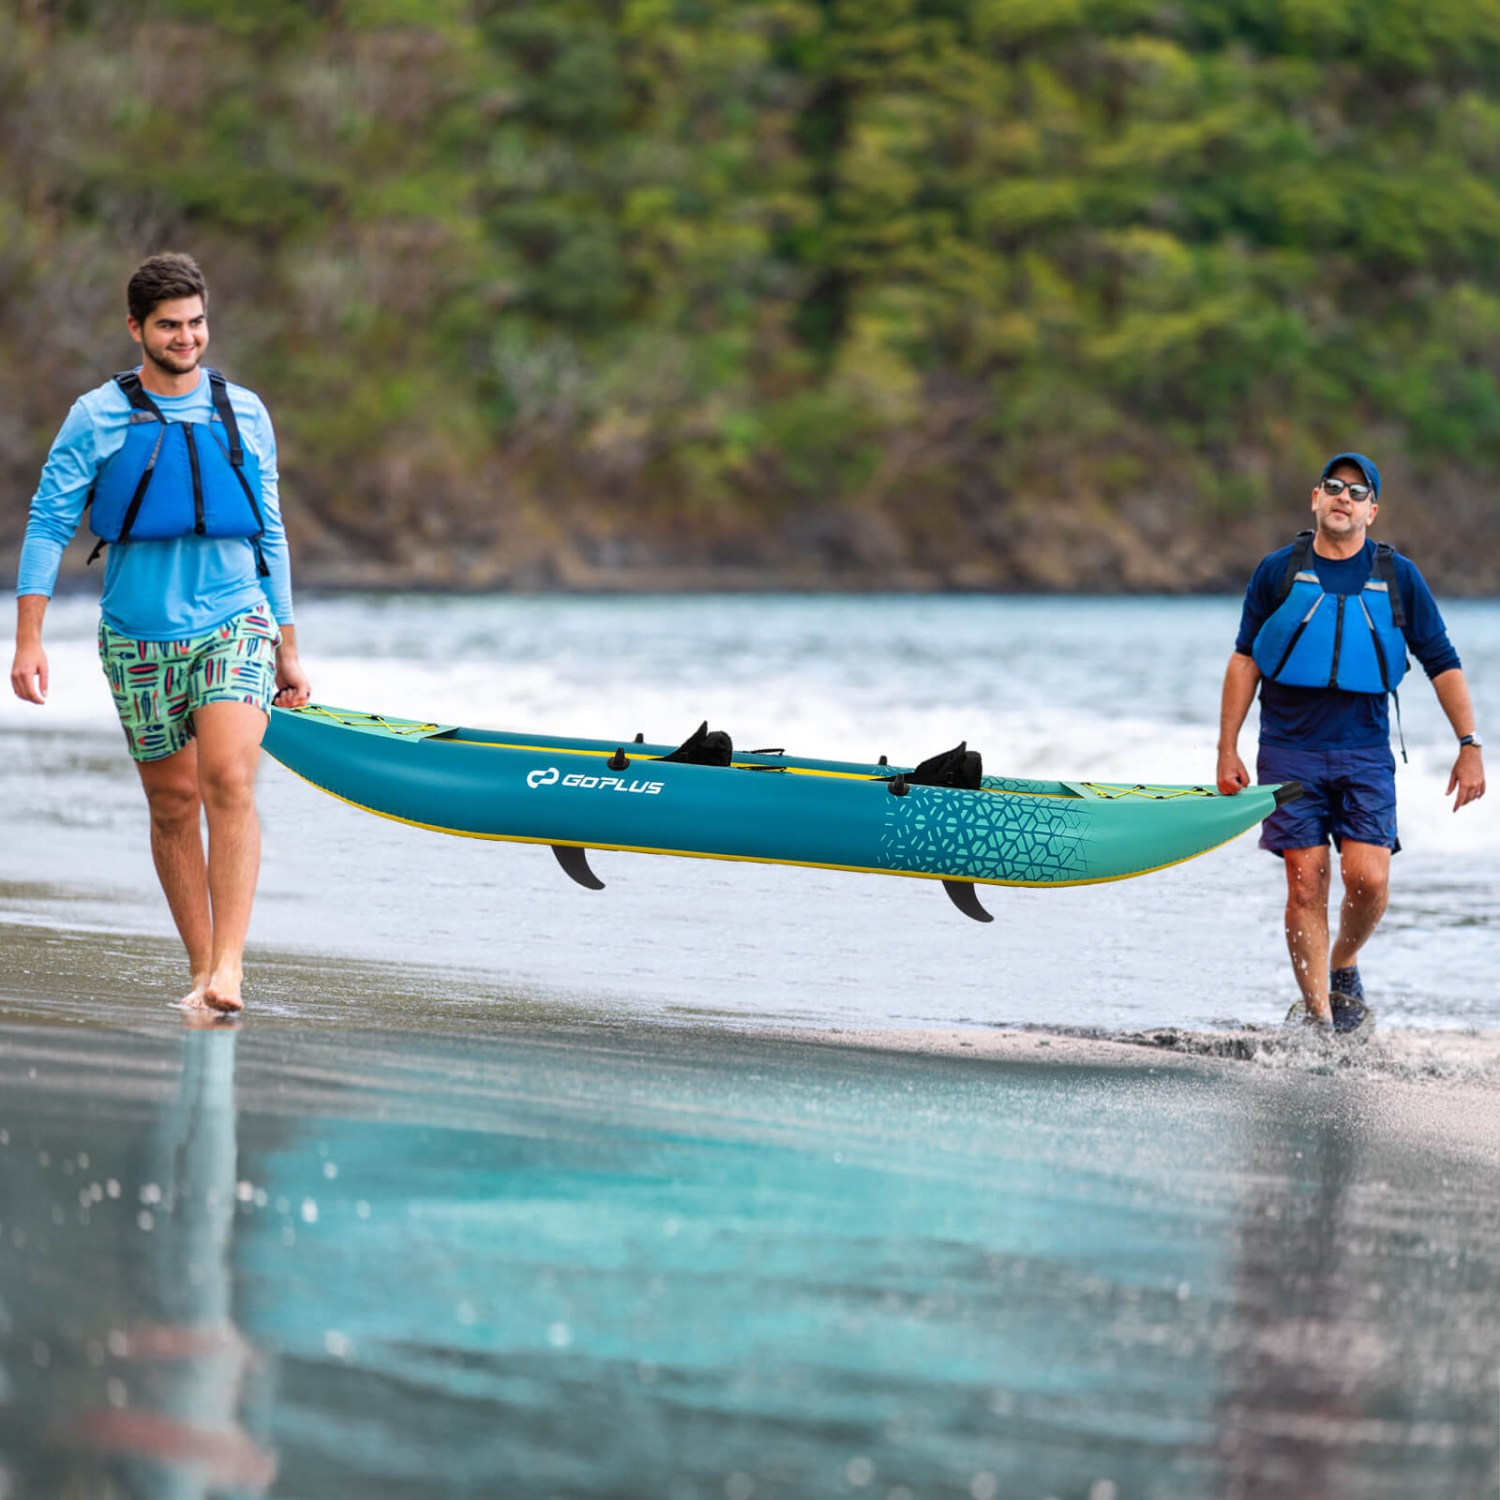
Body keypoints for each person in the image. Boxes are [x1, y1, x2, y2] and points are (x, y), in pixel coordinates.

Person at [10, 252, 309, 1013]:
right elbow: (48, 525)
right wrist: (28, 638)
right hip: (138, 637)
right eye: (170, 325)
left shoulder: (243, 411)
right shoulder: (96, 417)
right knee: (173, 804)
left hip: (233, 620)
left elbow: (269, 527)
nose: (187, 337)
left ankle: (231, 968)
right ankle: (202, 967)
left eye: (197, 322)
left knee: (230, 782)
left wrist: (287, 645)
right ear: (137, 328)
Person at [1216, 453, 1484, 1033]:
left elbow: (1442, 662)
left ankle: (1344, 962)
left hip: (1364, 750)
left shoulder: (1397, 578)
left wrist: (1470, 743)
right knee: (1304, 880)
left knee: (1370, 879)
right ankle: (1318, 1020)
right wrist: (1227, 748)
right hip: (1288, 748)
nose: (1344, 497)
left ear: (1372, 511)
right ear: (1316, 499)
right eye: (1334, 487)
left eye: (1357, 492)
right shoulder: (1277, 571)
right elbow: (1244, 659)